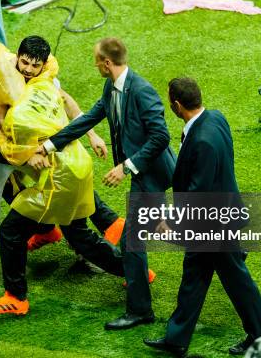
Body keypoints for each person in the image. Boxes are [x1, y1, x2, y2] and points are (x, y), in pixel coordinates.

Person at [0, 32, 125, 276]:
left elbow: (63, 100)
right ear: (18, 58)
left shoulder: (22, 71)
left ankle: (104, 236)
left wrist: (91, 135)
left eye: (35, 65)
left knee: (65, 188)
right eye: (25, 63)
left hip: (28, 148)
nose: (29, 69)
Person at [40, 37, 177, 330]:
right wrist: (51, 145)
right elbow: (90, 118)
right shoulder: (111, 87)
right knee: (146, 233)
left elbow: (161, 137)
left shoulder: (142, 91)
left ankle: (141, 311)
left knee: (131, 242)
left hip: (149, 174)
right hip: (142, 174)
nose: (94, 65)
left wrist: (126, 167)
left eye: (95, 60)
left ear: (106, 63)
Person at [143, 77, 261, 357]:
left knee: (238, 282)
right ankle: (176, 339)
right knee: (194, 277)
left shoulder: (201, 140)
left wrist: (171, 223)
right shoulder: (216, 118)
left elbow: (198, 193)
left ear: (177, 105)